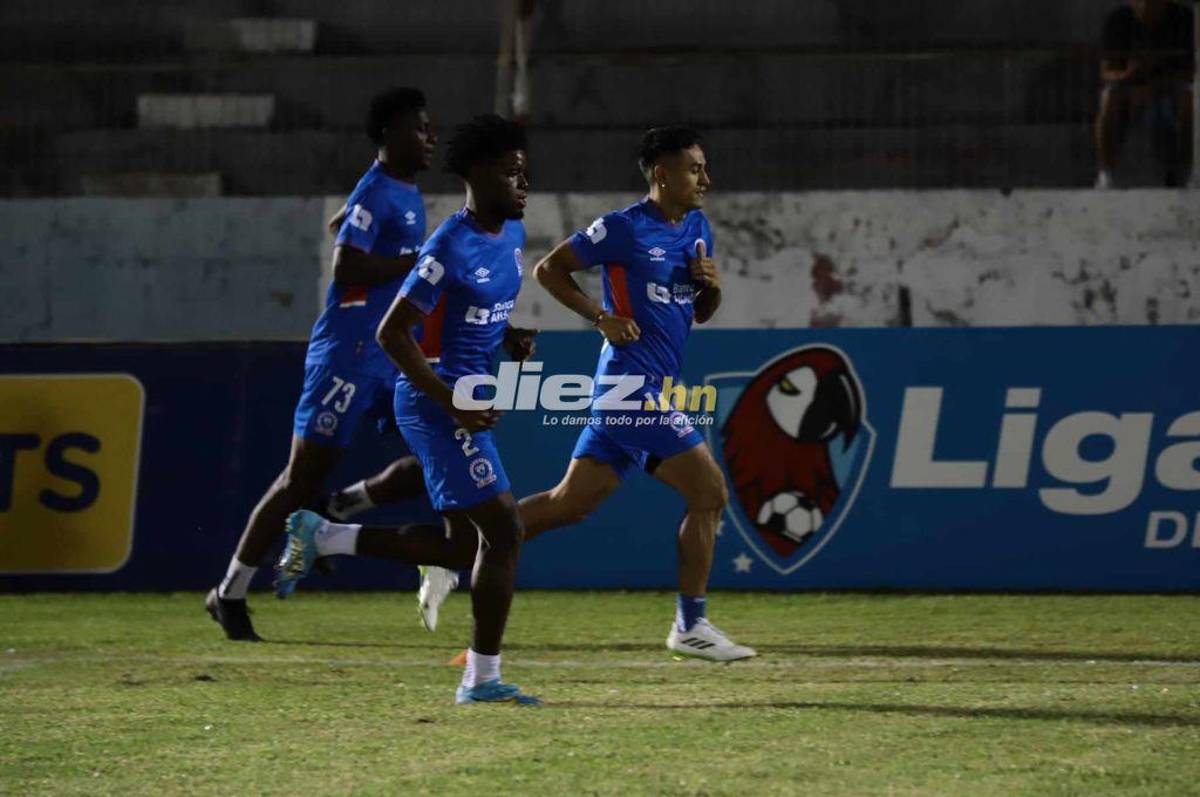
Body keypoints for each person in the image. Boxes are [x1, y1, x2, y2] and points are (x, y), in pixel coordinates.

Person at [302, 127, 755, 662]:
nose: (706, 178)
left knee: (566, 505)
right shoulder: (622, 228)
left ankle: (450, 558)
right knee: (710, 491)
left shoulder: (698, 228)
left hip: (654, 384)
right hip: (628, 388)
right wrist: (601, 317)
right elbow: (551, 269)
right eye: (695, 168)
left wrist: (714, 288)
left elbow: (697, 311)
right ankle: (690, 624)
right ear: (662, 174)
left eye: (705, 168)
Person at [277, 114, 541, 705]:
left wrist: (510, 337)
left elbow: (471, 312)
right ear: (477, 173)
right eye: (511, 173)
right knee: (504, 528)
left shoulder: (513, 237)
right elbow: (393, 333)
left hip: (464, 401)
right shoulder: (448, 242)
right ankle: (482, 679)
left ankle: (325, 534)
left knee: (460, 548)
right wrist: (448, 399)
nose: (523, 185)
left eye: (527, 174)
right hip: (434, 401)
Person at [205, 87, 435, 641]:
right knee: (296, 478)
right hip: (348, 355)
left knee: (438, 456)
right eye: (418, 129)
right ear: (387, 136)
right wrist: (416, 263)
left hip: (387, 354)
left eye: (431, 129)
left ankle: (335, 507)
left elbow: (345, 226)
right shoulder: (379, 190)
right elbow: (348, 268)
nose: (429, 138)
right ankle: (229, 591)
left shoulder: (399, 191)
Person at [1094, 0, 1195, 188]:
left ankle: (1189, 171)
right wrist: (1130, 75)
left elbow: (1193, 70)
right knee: (1108, 97)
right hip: (1130, 89)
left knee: (1190, 98)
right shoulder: (1119, 20)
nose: (1147, 6)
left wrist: (1158, 83)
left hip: (1171, 87)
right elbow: (1107, 72)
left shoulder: (1185, 19)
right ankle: (1105, 174)